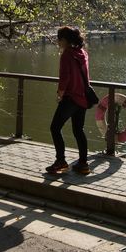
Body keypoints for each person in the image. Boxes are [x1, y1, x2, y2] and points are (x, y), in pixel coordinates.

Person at [46, 25, 91, 175]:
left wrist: (59, 93)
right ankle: (83, 164)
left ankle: (61, 161)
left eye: (59, 39)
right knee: (78, 130)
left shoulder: (67, 55)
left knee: (55, 128)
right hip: (83, 98)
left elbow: (64, 78)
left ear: (64, 40)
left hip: (71, 98)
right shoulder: (83, 53)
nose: (58, 42)